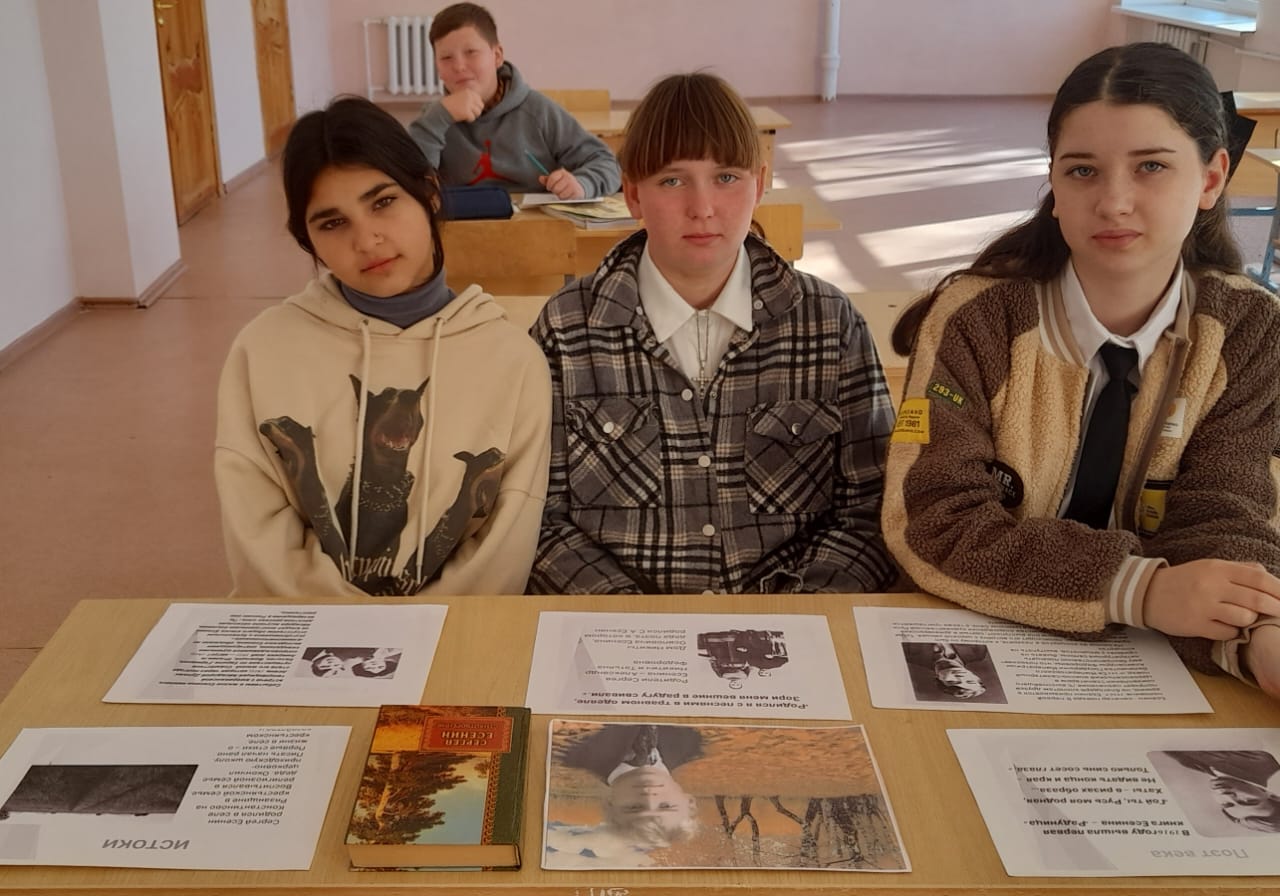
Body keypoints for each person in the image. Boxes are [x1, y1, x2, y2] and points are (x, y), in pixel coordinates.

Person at [882, 42, 1280, 696]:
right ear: (1054, 186)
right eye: (1083, 171)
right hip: (973, 638)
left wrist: (1255, 633)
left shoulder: (1249, 328)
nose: (1114, 202)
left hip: (1160, 662)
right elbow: (934, 521)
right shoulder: (978, 319)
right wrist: (1138, 588)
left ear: (1212, 179)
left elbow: (1227, 511)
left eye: (1151, 166)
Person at [528, 72, 896, 595]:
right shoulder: (566, 330)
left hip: (794, 622)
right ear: (632, 194)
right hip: (619, 629)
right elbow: (538, 517)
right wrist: (629, 618)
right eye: (672, 181)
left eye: (726, 177)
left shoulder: (831, 324)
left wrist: (799, 612)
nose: (702, 208)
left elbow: (873, 507)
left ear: (760, 184)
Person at [215, 96, 551, 597]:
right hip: (308, 630)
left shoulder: (513, 360)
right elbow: (258, 537)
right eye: (333, 223)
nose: (367, 240)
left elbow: (503, 546)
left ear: (429, 193)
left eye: (383, 203)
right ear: (307, 241)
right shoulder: (262, 351)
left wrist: (424, 633)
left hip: (459, 630)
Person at [407, 2, 620, 200]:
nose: (459, 66)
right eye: (446, 58)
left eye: (471, 52)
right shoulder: (434, 120)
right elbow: (409, 182)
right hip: (466, 227)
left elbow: (606, 164)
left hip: (535, 226)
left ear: (497, 56)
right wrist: (439, 117)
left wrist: (582, 184)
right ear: (437, 67)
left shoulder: (538, 111)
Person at [562, 723, 702, 846]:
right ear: (689, 801)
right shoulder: (693, 743)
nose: (649, 796)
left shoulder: (574, 753)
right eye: (666, 806)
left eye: (634, 807)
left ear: (610, 804)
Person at [1162, 751, 1280, 833]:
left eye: (1226, 804)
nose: (1227, 796)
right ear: (1273, 795)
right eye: (1247, 800)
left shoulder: (1193, 764)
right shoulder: (1263, 759)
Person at [901, 641, 988, 699]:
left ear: (939, 680)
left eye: (954, 682)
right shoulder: (977, 652)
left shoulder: (909, 657)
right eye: (969, 681)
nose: (960, 677)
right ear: (975, 677)